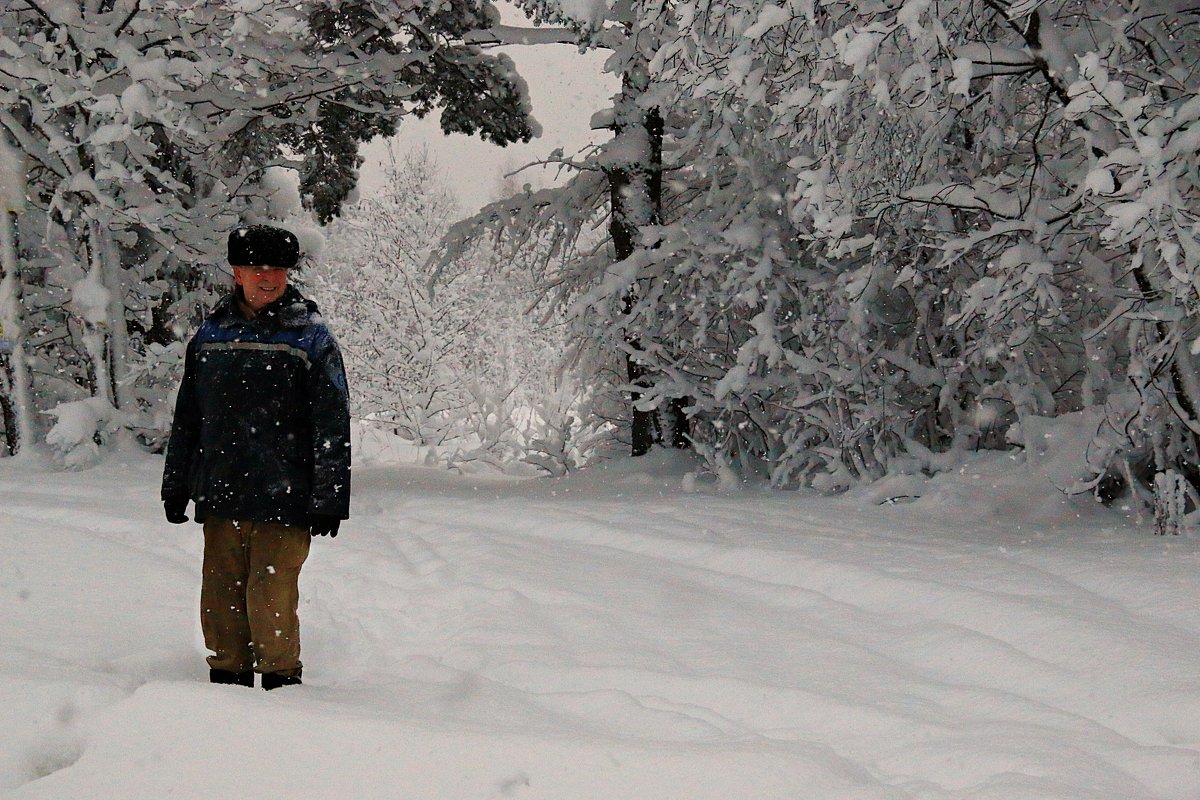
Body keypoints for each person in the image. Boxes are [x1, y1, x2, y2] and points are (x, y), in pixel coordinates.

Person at [161, 224, 350, 690]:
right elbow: (189, 416)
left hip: (285, 492)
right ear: (237, 272)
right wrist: (176, 483)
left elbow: (332, 422)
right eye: (258, 269)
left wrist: (330, 496)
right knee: (221, 592)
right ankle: (228, 679)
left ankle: (281, 681)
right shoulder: (211, 333)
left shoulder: (310, 336)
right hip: (222, 486)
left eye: (279, 270)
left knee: (271, 592)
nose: (269, 279)